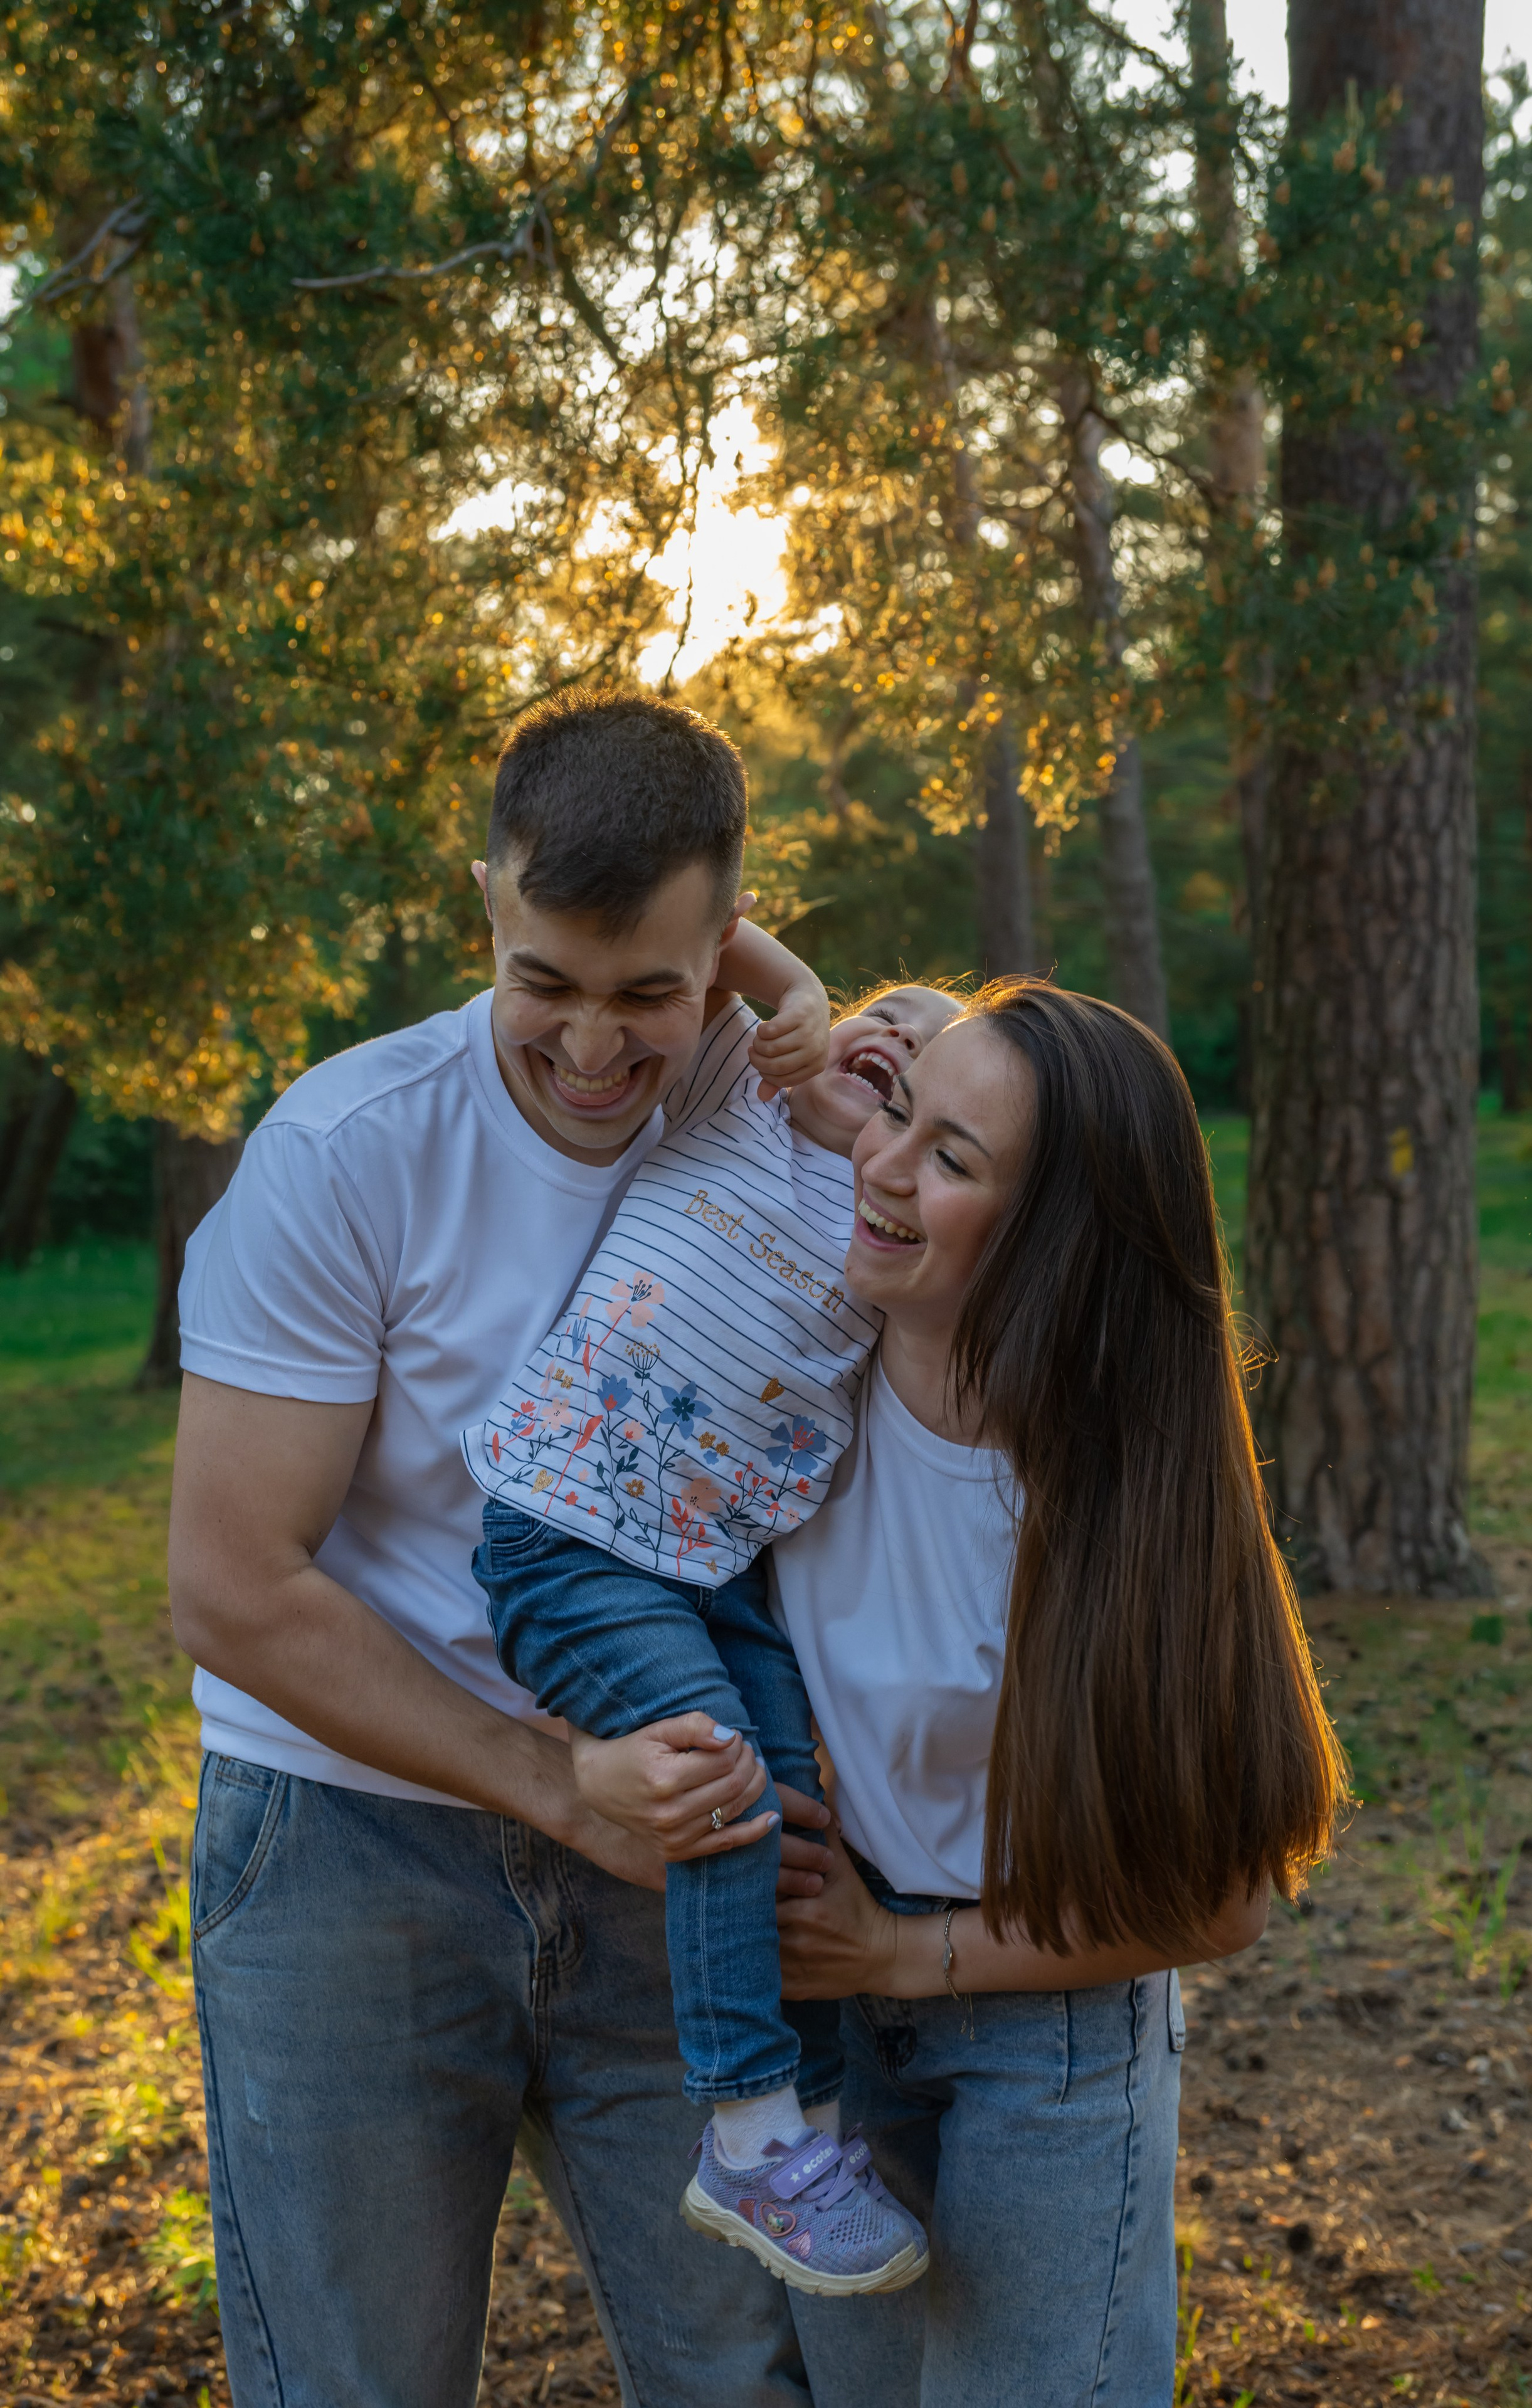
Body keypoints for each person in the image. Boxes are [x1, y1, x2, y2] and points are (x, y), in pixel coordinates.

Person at [166, 689, 839, 2408]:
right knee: (353, 2383)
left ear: (728, 940)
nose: (598, 1050)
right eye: (547, 982)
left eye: (651, 996)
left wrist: (795, 1008)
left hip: (669, 1853)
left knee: (754, 2376)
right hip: (347, 1851)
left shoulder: (776, 1115)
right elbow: (236, 1586)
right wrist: (556, 1786)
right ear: (489, 907)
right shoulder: (344, 1151)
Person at [572, 980, 1348, 2405]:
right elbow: (706, 986)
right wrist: (848, 1027)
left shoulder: (1119, 1491)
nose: (880, 1168)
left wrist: (900, 1956)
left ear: (1055, 1235)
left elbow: (1223, 1902)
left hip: (1047, 2014)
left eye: (950, 1160)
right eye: (896, 1122)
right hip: (830, 2016)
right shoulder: (795, 1369)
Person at [465, 978, 959, 2295]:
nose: (895, 1042)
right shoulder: (731, 1095)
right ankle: (743, 2133)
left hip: (712, 1563)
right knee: (724, 1774)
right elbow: (717, 929)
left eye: (924, 1061)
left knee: (795, 1802)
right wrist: (803, 1003)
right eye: (885, 1016)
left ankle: (799, 2117)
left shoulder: (889, 1216)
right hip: (571, 1532)